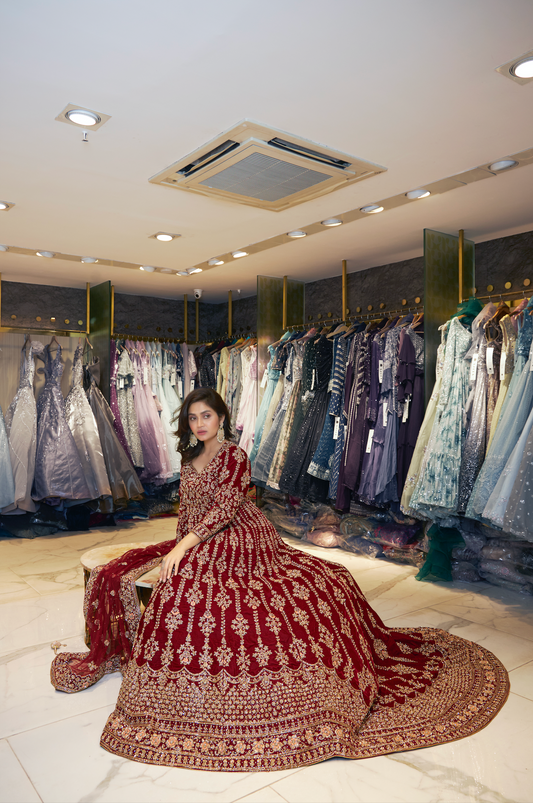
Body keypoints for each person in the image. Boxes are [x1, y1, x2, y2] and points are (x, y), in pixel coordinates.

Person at [51, 388, 508, 772]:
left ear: (222, 417)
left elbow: (224, 509)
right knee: (122, 575)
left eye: (206, 415)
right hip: (195, 535)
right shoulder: (191, 454)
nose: (199, 424)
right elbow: (191, 509)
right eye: (192, 418)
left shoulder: (234, 455)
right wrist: (175, 546)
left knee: (245, 591)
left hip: (239, 535)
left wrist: (180, 549)